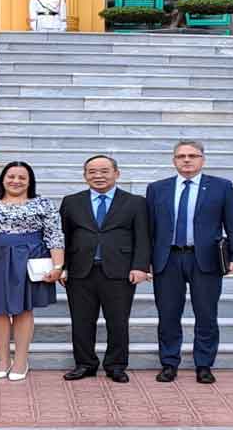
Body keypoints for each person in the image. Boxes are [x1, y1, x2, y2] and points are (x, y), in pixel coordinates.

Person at [146, 140, 233, 384]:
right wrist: (144, 260)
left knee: (206, 314)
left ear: (203, 159)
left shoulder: (221, 187)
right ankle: (169, 363)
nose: (187, 160)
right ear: (174, 160)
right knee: (168, 314)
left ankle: (204, 365)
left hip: (206, 260)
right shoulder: (157, 188)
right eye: (181, 156)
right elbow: (149, 227)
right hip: (167, 259)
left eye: (192, 155)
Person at [59, 155, 150, 384]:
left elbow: (143, 237)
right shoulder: (71, 202)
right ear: (85, 176)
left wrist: (140, 266)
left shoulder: (135, 202)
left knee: (118, 322)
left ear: (116, 173)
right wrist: (62, 267)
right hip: (80, 271)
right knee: (81, 321)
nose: (98, 176)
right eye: (92, 172)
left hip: (119, 272)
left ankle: (116, 365)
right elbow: (63, 237)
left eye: (104, 171)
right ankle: (84, 364)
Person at [0, 161, 64, 381]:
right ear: (3, 179)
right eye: (11, 176)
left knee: (23, 309)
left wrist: (58, 266)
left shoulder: (42, 203)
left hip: (29, 259)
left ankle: (21, 360)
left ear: (30, 181)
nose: (16, 181)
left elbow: (54, 235)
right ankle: (2, 359)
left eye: (22, 177)